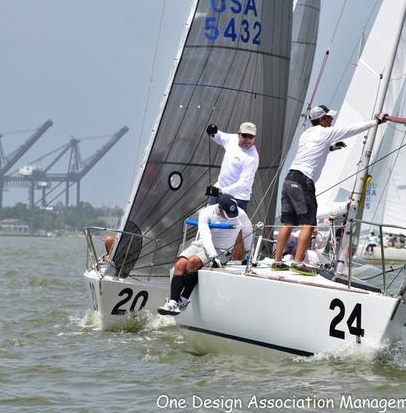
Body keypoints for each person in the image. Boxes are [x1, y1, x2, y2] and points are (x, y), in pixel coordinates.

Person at [272, 104, 387, 275]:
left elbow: (312, 150)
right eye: (329, 117)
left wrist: (331, 148)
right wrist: (376, 122)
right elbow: (351, 130)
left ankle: (277, 261)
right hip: (304, 181)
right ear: (321, 119)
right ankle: (297, 262)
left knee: (288, 223)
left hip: (289, 179)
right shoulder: (325, 132)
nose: (332, 120)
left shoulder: (306, 134)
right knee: (309, 225)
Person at [157, 194, 253, 316]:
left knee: (192, 262)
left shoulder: (241, 214)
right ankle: (172, 302)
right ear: (219, 208)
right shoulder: (207, 212)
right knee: (180, 264)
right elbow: (205, 236)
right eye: (227, 214)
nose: (230, 217)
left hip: (222, 250)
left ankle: (184, 299)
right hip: (203, 244)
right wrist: (212, 256)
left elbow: (248, 231)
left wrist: (249, 253)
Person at [205, 121, 259, 212]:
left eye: (251, 137)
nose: (247, 140)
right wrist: (213, 131)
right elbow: (219, 136)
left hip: (238, 198)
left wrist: (221, 191)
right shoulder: (232, 139)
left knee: (230, 226)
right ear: (239, 134)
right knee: (211, 223)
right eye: (245, 136)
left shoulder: (252, 158)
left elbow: (244, 184)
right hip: (219, 192)